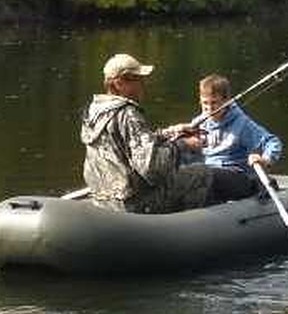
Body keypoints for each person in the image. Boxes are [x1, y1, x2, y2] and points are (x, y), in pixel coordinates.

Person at [80, 53, 213, 213]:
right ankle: (185, 227)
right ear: (119, 83)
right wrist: (183, 145)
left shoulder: (94, 110)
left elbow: (129, 143)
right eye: (137, 79)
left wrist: (172, 132)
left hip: (102, 198)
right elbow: (152, 169)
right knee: (201, 173)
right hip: (133, 204)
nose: (143, 84)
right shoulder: (128, 114)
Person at [196, 73, 284, 201]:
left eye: (214, 103)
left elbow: (272, 142)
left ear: (226, 101)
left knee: (207, 175)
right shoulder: (199, 123)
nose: (209, 109)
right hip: (208, 172)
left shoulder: (242, 123)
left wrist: (265, 159)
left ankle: (259, 185)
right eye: (205, 103)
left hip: (237, 175)